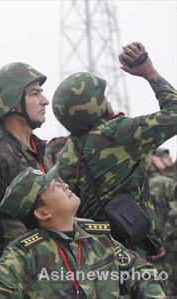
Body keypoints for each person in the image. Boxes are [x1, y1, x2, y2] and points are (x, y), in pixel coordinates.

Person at [0, 165, 166, 298]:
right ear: (42, 213)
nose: (64, 185)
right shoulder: (26, 254)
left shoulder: (97, 237)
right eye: (54, 187)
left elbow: (139, 271)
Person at [52, 42, 177, 258]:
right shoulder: (117, 134)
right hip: (131, 248)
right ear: (92, 105)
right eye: (102, 97)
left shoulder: (66, 153)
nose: (107, 100)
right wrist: (150, 73)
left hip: (93, 253)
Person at [0, 62, 51, 272]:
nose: (45, 100)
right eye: (34, 94)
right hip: (15, 276)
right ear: (12, 103)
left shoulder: (42, 150)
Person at [147, 150, 177, 295]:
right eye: (163, 157)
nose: (169, 158)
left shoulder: (140, 183)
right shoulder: (167, 183)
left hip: (152, 247)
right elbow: (174, 214)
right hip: (169, 246)